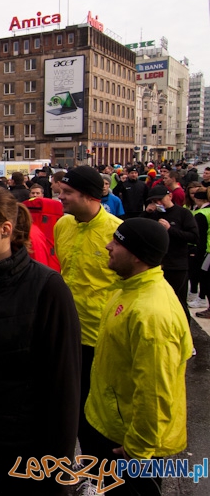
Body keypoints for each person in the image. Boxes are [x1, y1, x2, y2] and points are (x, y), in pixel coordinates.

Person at [0, 186, 81, 494]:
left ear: (5, 229)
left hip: (24, 452)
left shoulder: (48, 289)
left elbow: (64, 390)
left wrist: (57, 474)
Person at [81, 218, 192, 495]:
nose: (108, 246)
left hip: (130, 444)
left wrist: (138, 451)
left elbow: (155, 391)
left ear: (138, 256)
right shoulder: (129, 287)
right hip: (113, 426)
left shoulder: (152, 314)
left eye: (117, 243)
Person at [53, 165, 122, 482]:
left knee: (100, 413)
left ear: (90, 196)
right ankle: (85, 466)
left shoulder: (118, 231)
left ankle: (104, 475)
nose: (60, 196)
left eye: (67, 193)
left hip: (101, 339)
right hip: (67, 333)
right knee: (72, 408)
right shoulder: (62, 224)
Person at [142, 185, 199, 322]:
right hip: (157, 265)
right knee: (158, 302)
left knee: (178, 301)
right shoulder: (154, 214)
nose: (158, 204)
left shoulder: (183, 214)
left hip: (177, 265)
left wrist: (170, 229)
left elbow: (194, 237)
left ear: (170, 197)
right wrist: (147, 213)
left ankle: (185, 334)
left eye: (160, 200)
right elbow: (140, 231)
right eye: (155, 201)